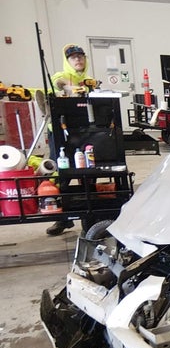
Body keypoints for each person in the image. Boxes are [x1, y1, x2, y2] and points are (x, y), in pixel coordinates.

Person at [46, 44, 97, 236]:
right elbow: (59, 83)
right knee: (62, 175)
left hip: (85, 132)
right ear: (67, 61)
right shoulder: (60, 76)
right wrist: (70, 87)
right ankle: (62, 219)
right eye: (73, 58)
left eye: (80, 57)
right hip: (61, 133)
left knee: (88, 172)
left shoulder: (90, 81)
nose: (78, 60)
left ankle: (89, 218)